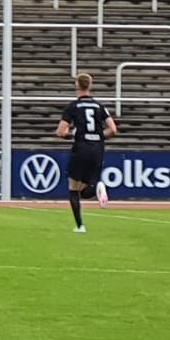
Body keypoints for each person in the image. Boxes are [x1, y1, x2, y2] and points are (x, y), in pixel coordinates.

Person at [56, 72, 118, 233]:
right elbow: (113, 129)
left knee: (73, 188)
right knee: (84, 190)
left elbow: (61, 131)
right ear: (90, 86)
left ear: (77, 85)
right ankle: (97, 186)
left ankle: (80, 226)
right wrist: (98, 136)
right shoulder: (99, 106)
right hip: (97, 149)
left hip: (81, 147)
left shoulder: (73, 106)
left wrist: (72, 134)